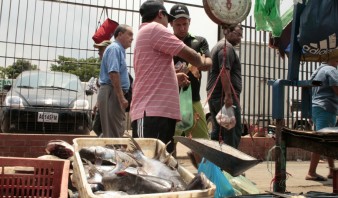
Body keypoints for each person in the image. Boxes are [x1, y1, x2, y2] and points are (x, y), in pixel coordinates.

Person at [130, 0, 207, 153]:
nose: (169, 23)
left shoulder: (147, 33)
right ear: (160, 14)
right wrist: (201, 59)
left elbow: (153, 71)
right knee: (150, 165)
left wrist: (174, 77)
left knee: (161, 164)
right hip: (152, 113)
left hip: (158, 113)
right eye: (169, 19)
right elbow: (192, 56)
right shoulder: (155, 28)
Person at [169, 4, 212, 167]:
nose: (182, 28)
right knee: (169, 142)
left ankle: (206, 177)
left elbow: (209, 62)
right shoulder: (166, 42)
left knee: (202, 144)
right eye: (178, 24)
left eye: (185, 24)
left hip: (193, 101)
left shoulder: (198, 41)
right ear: (171, 23)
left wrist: (196, 64)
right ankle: (170, 175)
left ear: (190, 22)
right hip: (172, 102)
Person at [206, 24, 243, 149]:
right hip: (223, 97)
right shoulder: (226, 47)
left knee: (218, 132)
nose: (240, 38)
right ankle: (229, 166)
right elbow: (224, 71)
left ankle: (215, 166)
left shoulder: (219, 46)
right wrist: (228, 96)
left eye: (241, 35)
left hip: (216, 96)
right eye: (238, 34)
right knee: (232, 132)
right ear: (227, 31)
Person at [98, 24, 133, 138]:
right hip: (112, 92)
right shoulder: (115, 48)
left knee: (115, 130)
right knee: (114, 132)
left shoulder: (119, 50)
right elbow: (113, 72)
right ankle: (113, 154)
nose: (132, 38)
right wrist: (121, 97)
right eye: (130, 34)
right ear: (120, 34)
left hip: (112, 92)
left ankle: (113, 153)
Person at [305, 60, 338, 181]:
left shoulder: (318, 70)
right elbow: (336, 88)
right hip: (326, 107)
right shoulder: (331, 70)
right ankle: (311, 172)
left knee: (326, 139)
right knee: (321, 141)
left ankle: (332, 170)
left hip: (317, 108)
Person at [92, 40, 112, 137]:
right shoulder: (104, 66)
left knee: (103, 128)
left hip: (109, 103)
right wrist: (98, 103)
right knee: (97, 127)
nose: (98, 51)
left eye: (101, 49)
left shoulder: (111, 64)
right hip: (103, 101)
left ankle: (108, 144)